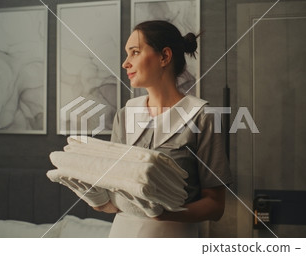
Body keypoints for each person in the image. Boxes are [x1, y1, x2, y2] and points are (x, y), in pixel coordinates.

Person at [93, 20, 232, 237]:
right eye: (127, 54)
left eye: (134, 52)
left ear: (164, 57)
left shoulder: (201, 117)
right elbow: (117, 195)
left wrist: (165, 213)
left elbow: (215, 205)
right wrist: (100, 200)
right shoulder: (125, 115)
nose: (125, 63)